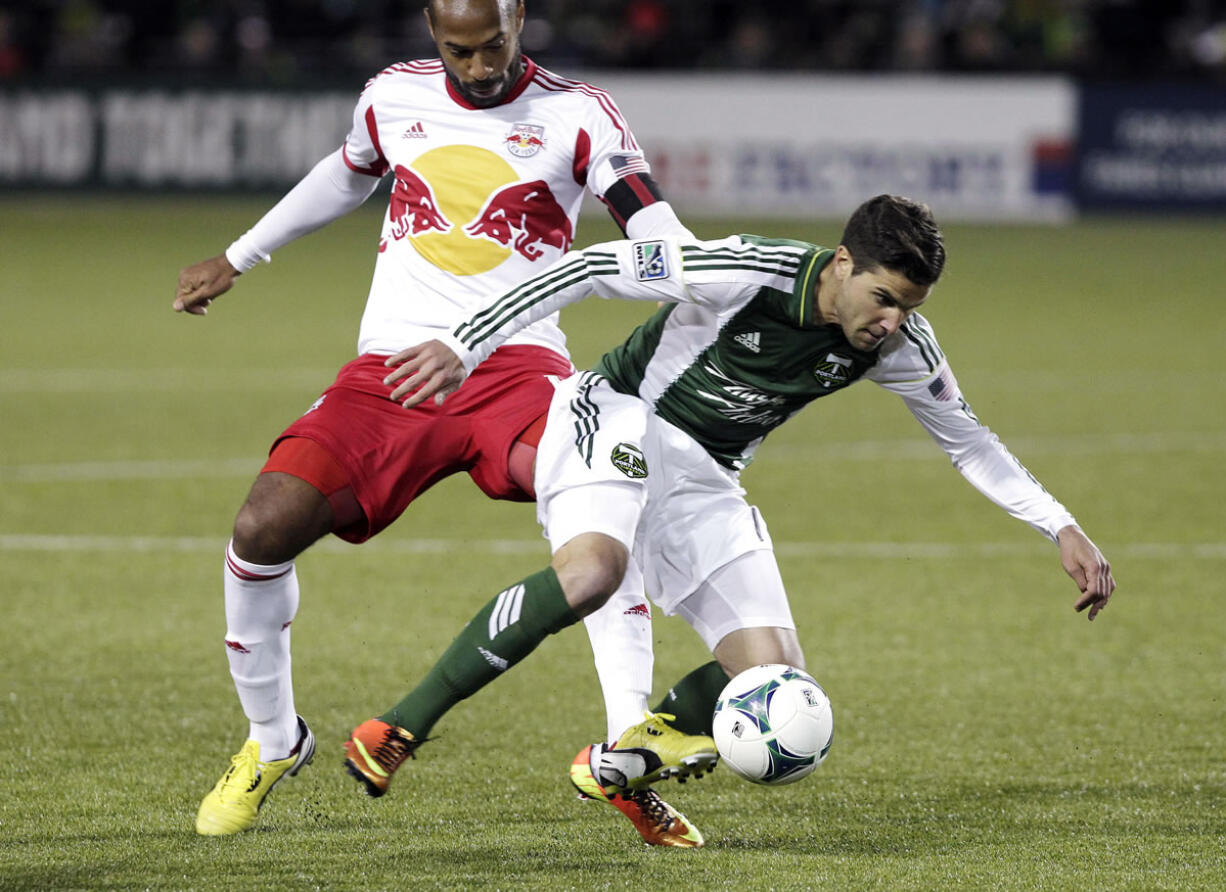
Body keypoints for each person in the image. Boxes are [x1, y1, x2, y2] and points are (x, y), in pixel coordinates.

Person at [340, 194, 1116, 846]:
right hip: (614, 416)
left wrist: (1061, 525)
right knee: (595, 574)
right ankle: (396, 728)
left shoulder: (898, 345)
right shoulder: (745, 269)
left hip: (707, 474)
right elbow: (584, 267)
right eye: (883, 298)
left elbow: (969, 440)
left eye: (909, 307)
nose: (891, 322)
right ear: (843, 265)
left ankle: (615, 769)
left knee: (777, 678)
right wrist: (465, 344)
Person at [175, 0, 709, 843]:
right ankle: (273, 741)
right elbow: (349, 172)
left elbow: (660, 238)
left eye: (493, 44)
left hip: (519, 370)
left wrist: (658, 256)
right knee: (261, 525)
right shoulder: (392, 96)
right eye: (459, 50)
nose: (479, 66)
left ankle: (626, 748)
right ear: (433, 34)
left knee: (603, 496)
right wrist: (240, 255)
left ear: (519, 18)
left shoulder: (578, 115)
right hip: (395, 370)